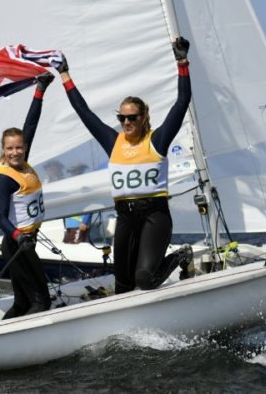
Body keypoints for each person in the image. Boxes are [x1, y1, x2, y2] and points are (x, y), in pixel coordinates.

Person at [55, 37, 192, 294]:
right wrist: (64, 74)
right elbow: (84, 111)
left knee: (145, 279)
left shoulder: (157, 140)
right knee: (122, 287)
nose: (126, 122)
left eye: (132, 117)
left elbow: (182, 103)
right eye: (122, 117)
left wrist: (182, 62)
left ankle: (181, 255)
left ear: (143, 118)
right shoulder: (112, 141)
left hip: (154, 215)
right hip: (125, 217)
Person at [0, 72, 54, 319]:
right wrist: (18, 236)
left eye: (19, 147)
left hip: (27, 241)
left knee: (23, 301)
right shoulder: (4, 178)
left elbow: (31, 125)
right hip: (17, 245)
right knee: (40, 300)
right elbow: (1, 219)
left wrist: (40, 91)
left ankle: (5, 333)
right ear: (3, 150)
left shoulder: (22, 162)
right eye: (10, 148)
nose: (15, 152)